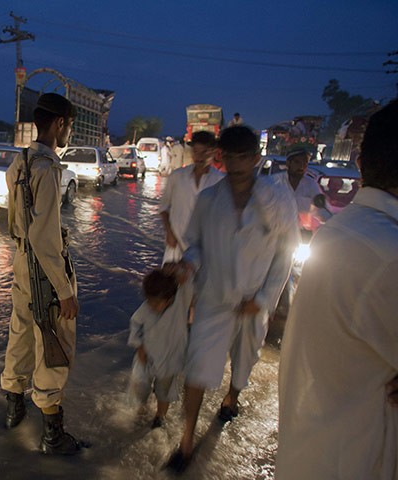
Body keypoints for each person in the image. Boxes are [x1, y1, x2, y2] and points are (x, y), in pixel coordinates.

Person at [167, 126, 299, 472]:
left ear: (256, 158)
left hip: (255, 300)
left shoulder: (278, 200)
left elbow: (286, 254)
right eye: (231, 157)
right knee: (197, 366)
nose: (238, 165)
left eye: (245, 157)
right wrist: (186, 267)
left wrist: (267, 297)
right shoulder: (209, 201)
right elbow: (196, 244)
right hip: (215, 298)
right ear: (222, 159)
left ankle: (233, 396)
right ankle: (187, 439)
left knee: (245, 359)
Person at [277, 102, 398, 480]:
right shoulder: (388, 255)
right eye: (296, 160)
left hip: (313, 454)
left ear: (361, 164)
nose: (299, 165)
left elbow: (316, 215)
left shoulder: (341, 227)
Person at [0, 93, 83, 455]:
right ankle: (53, 434)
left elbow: (18, 224)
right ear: (60, 123)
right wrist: (64, 290)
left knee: (20, 333)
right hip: (44, 268)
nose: (69, 132)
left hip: (21, 262)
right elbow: (45, 236)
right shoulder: (47, 170)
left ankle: (14, 407)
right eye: (69, 126)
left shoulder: (19, 161)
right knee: (53, 342)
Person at [127, 268, 192, 428]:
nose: (152, 305)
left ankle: (160, 416)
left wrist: (182, 277)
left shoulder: (179, 306)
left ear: (170, 299)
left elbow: (189, 288)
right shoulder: (146, 309)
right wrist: (139, 346)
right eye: (149, 301)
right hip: (147, 356)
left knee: (165, 391)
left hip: (170, 359)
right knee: (141, 386)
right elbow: (135, 324)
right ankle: (141, 410)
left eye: (156, 303)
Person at [160, 131, 225, 265]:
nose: (200, 157)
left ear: (213, 152)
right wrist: (169, 233)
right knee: (171, 284)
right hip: (176, 246)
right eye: (196, 152)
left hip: (206, 250)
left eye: (205, 152)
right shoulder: (177, 176)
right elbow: (164, 208)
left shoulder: (221, 181)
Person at [275, 148, 328, 230]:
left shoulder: (311, 185)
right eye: (297, 162)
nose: (301, 167)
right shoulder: (274, 182)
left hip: (300, 234)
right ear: (288, 163)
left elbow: (321, 211)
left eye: (305, 163)